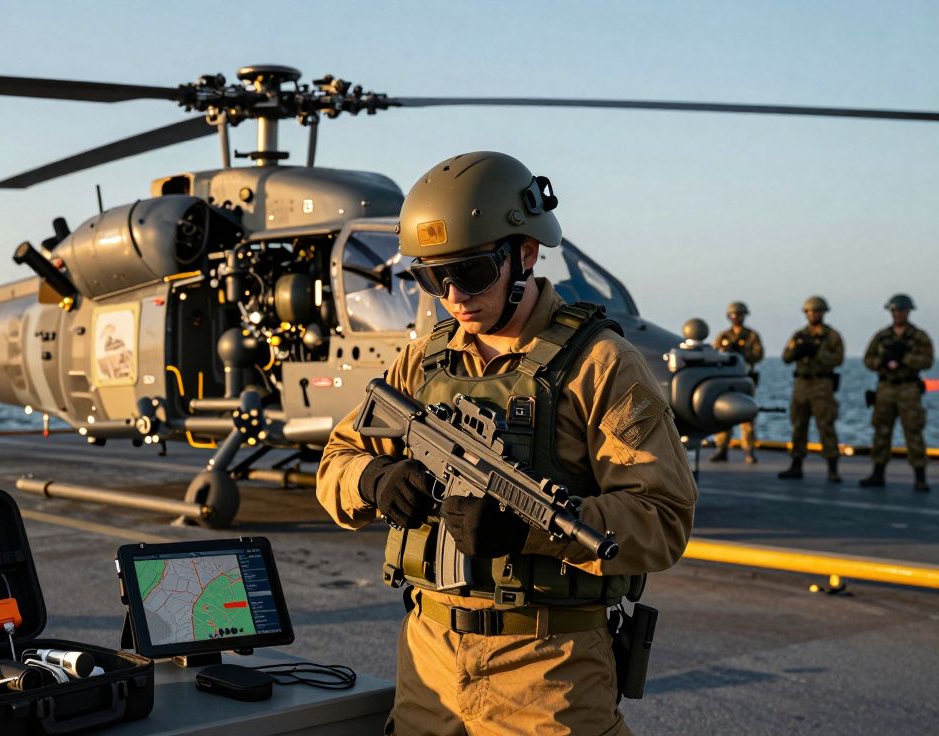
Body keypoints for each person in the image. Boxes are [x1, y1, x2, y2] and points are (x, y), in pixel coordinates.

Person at [317, 152, 697, 735]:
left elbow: (663, 520)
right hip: (429, 663)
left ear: (525, 253)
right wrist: (374, 480)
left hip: (548, 674)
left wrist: (528, 531)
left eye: (470, 272)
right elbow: (335, 463)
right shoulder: (422, 361)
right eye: (431, 278)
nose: (452, 296)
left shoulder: (602, 365)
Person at [859, 294, 933, 491]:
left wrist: (905, 358)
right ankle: (878, 473)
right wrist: (882, 361)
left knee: (913, 431)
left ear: (908, 312)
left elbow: (927, 361)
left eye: (901, 310)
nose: (898, 314)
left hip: (908, 388)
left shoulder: (919, 336)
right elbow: (868, 359)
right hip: (886, 388)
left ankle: (920, 477)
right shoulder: (882, 336)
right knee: (881, 431)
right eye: (895, 311)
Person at [777, 296, 845, 482]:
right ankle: (796, 464)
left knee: (826, 426)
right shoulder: (799, 335)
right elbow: (786, 357)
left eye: (817, 312)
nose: (814, 315)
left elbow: (838, 359)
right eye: (810, 312)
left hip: (822, 384)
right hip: (801, 384)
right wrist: (797, 352)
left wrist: (818, 352)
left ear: (823, 313)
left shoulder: (831, 336)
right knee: (798, 425)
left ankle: (832, 468)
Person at [710, 301, 764, 463]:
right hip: (727, 378)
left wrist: (742, 352)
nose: (736, 318)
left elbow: (758, 355)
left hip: (744, 378)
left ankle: (748, 450)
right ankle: (722, 448)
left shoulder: (751, 336)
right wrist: (725, 351)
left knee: (747, 415)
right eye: (733, 315)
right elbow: (714, 354)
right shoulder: (723, 336)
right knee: (723, 414)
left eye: (739, 315)